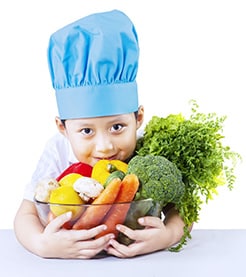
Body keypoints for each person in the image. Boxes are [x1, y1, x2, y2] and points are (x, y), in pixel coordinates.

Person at [14, 9, 186, 259]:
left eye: (117, 127)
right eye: (86, 131)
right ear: (62, 128)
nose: (105, 147)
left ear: (138, 118)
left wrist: (168, 235)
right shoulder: (58, 150)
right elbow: (25, 214)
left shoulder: (148, 151)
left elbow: (182, 211)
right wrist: (42, 245)